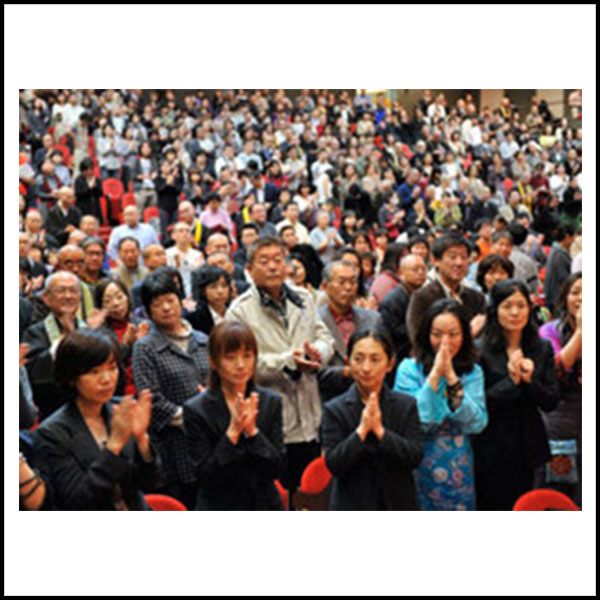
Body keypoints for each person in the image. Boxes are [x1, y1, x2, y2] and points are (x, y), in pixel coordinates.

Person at [226, 237, 335, 500]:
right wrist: (287, 361)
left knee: (310, 497)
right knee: (275, 498)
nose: (274, 267)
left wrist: (318, 352)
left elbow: (325, 337)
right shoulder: (239, 312)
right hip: (269, 422)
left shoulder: (303, 298)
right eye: (264, 261)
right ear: (249, 270)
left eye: (278, 260)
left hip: (310, 415)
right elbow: (239, 366)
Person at [34, 330, 160, 510]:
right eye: (95, 372)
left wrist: (142, 440)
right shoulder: (53, 433)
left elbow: (149, 483)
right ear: (71, 378)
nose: (107, 379)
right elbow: (77, 502)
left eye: (112, 368)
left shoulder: (121, 410)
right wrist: (114, 445)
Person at [472, 279, 560, 511]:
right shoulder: (480, 350)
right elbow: (478, 402)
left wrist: (529, 382)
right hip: (491, 445)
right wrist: (511, 382)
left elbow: (551, 401)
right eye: (507, 306)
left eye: (521, 306)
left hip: (529, 444)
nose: (515, 313)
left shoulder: (541, 348)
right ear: (495, 310)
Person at [394, 299, 487, 510]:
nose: (445, 342)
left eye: (453, 334)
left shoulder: (473, 372)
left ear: (464, 336)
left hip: (458, 463)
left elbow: (477, 423)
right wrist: (435, 375)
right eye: (437, 334)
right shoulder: (408, 369)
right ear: (426, 335)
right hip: (417, 460)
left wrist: (452, 379)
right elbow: (410, 419)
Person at [183, 321, 285, 510]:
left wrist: (253, 433)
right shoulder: (196, 409)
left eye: (247, 356)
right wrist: (233, 433)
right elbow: (205, 477)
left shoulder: (271, 401)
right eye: (230, 358)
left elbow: (276, 468)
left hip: (264, 504)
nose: (240, 365)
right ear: (213, 362)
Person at [321, 328, 423, 510]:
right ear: (348, 362)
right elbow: (334, 464)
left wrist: (381, 433)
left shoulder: (405, 405)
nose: (366, 368)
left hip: (398, 503)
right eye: (358, 359)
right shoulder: (334, 409)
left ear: (390, 364)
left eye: (375, 359)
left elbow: (415, 456)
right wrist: (361, 431)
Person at [132, 271, 210, 508]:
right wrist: (193, 417)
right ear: (148, 311)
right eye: (157, 304)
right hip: (173, 444)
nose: (166, 308)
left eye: (170, 300)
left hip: (209, 440)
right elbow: (151, 398)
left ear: (180, 301)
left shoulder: (203, 340)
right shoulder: (145, 348)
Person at [538, 272, 582, 505]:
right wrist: (582, 331)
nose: (582, 298)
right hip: (560, 421)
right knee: (561, 494)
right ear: (565, 298)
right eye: (575, 292)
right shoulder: (550, 331)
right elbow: (556, 370)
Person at [23, 272, 90, 420]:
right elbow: (34, 374)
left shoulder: (89, 331)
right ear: (46, 298)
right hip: (52, 411)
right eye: (61, 290)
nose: (68, 296)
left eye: (73, 290)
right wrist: (64, 340)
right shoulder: (35, 332)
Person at [317, 260, 381, 402]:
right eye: (341, 282)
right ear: (325, 286)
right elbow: (312, 371)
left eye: (352, 282)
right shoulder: (314, 321)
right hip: (328, 398)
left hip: (369, 396)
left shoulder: (373, 319)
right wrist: (344, 372)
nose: (348, 287)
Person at [406, 234, 487, 343]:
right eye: (452, 257)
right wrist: (468, 333)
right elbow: (418, 339)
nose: (459, 263)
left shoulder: (476, 298)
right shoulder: (422, 297)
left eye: (464, 257)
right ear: (436, 261)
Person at [95, 278, 149, 397]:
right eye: (108, 301)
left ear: (127, 297)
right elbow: (107, 365)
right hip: (118, 394)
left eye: (119, 297)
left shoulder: (144, 324)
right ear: (101, 307)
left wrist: (142, 345)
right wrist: (125, 345)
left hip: (147, 390)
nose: (116, 303)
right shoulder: (99, 333)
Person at [378, 254, 428, 374]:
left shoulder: (425, 295)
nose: (421, 273)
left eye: (423, 269)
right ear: (401, 273)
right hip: (400, 358)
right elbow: (392, 333)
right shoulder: (393, 300)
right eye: (415, 269)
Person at [186, 266, 233, 336]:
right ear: (203, 291)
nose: (220, 291)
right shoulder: (193, 319)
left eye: (224, 286)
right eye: (213, 287)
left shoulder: (236, 310)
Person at [165, 221, 204, 297]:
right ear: (173, 236)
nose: (185, 233)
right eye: (181, 231)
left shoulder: (198, 255)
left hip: (195, 290)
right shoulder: (167, 254)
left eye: (188, 231)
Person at [543, 224, 576, 314]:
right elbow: (564, 280)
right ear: (567, 237)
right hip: (557, 301)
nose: (573, 240)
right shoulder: (559, 255)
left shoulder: (556, 252)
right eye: (573, 237)